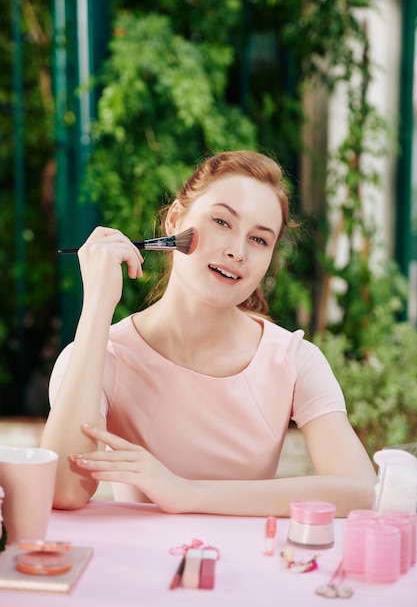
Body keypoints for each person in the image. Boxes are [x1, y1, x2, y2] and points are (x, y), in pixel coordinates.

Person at [41, 150, 376, 516]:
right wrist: (96, 309)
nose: (236, 251)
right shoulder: (104, 356)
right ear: (174, 220)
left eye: (259, 240)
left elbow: (360, 490)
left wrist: (185, 493)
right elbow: (62, 489)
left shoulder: (293, 360)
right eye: (221, 221)